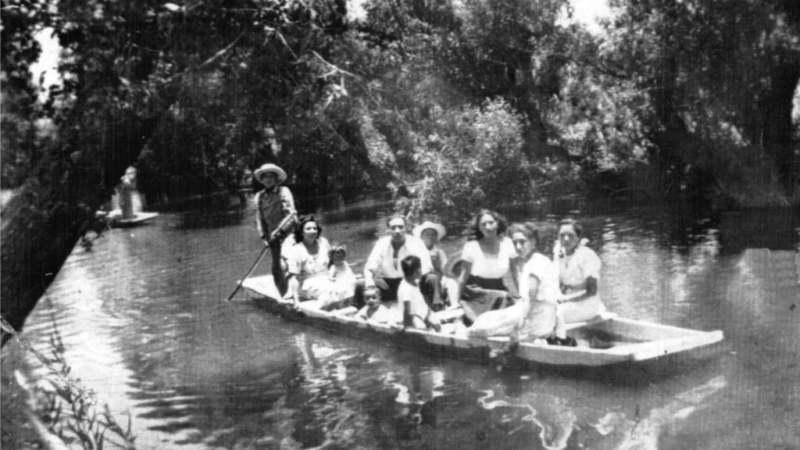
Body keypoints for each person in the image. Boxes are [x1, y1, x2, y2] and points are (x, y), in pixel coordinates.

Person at [466, 223, 563, 341]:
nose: (518, 246)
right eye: (514, 242)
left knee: (480, 327)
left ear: (534, 242)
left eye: (522, 242)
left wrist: (523, 319)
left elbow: (532, 292)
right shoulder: (532, 260)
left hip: (536, 316)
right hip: (541, 313)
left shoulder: (537, 261)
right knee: (485, 318)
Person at [363, 215, 444, 310]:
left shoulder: (416, 242)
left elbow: (427, 267)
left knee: (433, 278)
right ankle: (358, 310)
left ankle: (437, 308)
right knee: (360, 285)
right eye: (393, 228)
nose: (397, 231)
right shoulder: (381, 244)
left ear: (406, 228)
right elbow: (369, 268)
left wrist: (414, 281)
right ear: (388, 230)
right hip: (389, 284)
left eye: (400, 227)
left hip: (413, 281)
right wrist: (370, 284)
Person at [454, 209, 519, 325]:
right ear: (479, 228)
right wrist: (456, 302)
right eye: (483, 224)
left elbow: (515, 272)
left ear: (498, 223)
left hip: (499, 287)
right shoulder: (471, 246)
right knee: (503, 297)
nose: (488, 227)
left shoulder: (508, 243)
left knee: (512, 304)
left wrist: (522, 294)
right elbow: (463, 278)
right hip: (476, 291)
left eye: (491, 222)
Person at [254, 163, 297, 296]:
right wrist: (264, 237)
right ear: (262, 180)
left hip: (288, 234)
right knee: (276, 269)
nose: (268, 179)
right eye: (265, 177)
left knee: (287, 264)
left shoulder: (284, 191)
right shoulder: (259, 196)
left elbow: (292, 215)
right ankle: (283, 295)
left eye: (271, 176)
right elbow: (259, 219)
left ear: (276, 179)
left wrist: (278, 232)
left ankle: (294, 292)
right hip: (272, 239)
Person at [554, 219, 605, 323]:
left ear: (578, 237)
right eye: (562, 235)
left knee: (554, 315)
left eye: (571, 235)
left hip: (586, 304)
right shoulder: (558, 252)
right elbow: (556, 282)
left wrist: (565, 299)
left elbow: (591, 291)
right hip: (566, 301)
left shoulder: (587, 256)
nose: (566, 239)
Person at [286, 215, 331, 308]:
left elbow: (332, 263)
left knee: (350, 283)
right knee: (329, 291)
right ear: (301, 232)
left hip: (327, 279)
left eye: (315, 228)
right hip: (307, 284)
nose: (312, 231)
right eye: (308, 229)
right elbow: (293, 278)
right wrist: (296, 300)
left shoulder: (324, 243)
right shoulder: (296, 250)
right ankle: (319, 311)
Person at [398, 256, 442, 331]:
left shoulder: (414, 282)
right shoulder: (405, 288)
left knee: (437, 323)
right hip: (413, 316)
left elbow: (420, 301)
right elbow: (407, 310)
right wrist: (407, 327)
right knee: (421, 328)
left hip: (424, 312)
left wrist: (428, 315)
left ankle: (432, 326)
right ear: (418, 272)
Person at [316, 243, 358, 311]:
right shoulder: (334, 267)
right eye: (336, 258)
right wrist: (333, 279)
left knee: (351, 287)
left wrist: (354, 276)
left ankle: (348, 303)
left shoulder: (345, 264)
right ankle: (337, 305)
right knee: (341, 290)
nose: (338, 260)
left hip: (349, 281)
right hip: (340, 281)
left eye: (341, 257)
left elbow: (348, 272)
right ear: (332, 258)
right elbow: (330, 277)